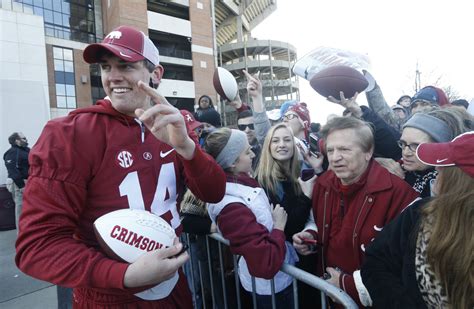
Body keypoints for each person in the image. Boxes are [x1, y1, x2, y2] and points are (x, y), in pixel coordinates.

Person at [15, 25, 226, 308]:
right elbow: (37, 246)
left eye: (125, 66)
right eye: (106, 67)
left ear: (155, 74)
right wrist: (123, 274)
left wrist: (187, 148)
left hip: (174, 285)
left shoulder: (175, 122)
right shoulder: (69, 134)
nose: (113, 77)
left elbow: (213, 192)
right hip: (109, 296)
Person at [292, 116, 419, 307]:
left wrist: (347, 285)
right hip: (329, 296)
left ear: (368, 152)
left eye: (344, 149)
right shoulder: (323, 183)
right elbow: (317, 221)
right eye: (331, 150)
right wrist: (311, 235)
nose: (335, 157)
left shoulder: (400, 195)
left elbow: (403, 264)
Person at [361, 131, 474, 309]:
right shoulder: (421, 213)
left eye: (444, 165)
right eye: (403, 144)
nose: (436, 169)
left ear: (461, 180)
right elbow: (376, 262)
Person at [205, 128, 297, 309]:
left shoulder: (242, 182)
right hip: (270, 290)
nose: (253, 154)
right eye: (247, 152)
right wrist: (278, 227)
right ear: (232, 163)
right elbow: (265, 264)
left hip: (275, 283)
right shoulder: (231, 207)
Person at [255, 123, 319, 308]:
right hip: (283, 265)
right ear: (268, 147)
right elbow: (287, 224)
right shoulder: (263, 181)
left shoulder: (301, 172)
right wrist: (306, 197)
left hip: (304, 256)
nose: (281, 144)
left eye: (286, 140)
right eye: (275, 141)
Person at [376, 107, 473, 197]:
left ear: (439, 148)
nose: (406, 152)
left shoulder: (445, 186)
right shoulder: (397, 168)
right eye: (403, 143)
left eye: (417, 146)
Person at [3, 132, 30, 232]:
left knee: (28, 209)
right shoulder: (12, 152)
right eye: (23, 138)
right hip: (18, 184)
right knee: (21, 209)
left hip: (28, 182)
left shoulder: (25, 150)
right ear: (16, 141)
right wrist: (21, 186)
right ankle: (22, 236)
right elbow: (13, 170)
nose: (26, 140)